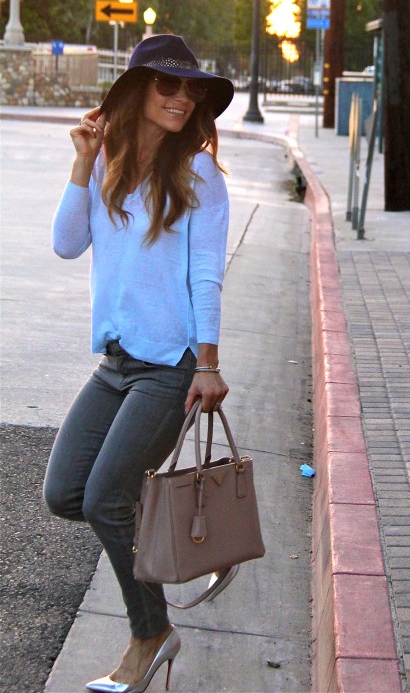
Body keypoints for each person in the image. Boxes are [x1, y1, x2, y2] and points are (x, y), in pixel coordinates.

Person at [44, 34, 235, 693]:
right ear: (134, 91)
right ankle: (159, 539)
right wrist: (83, 163)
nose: (182, 99)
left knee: (105, 497)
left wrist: (207, 364)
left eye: (191, 90)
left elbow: (207, 273)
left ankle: (149, 633)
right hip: (117, 363)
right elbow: (67, 245)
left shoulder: (200, 173)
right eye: (167, 85)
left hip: (171, 365)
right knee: (67, 493)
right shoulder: (107, 162)